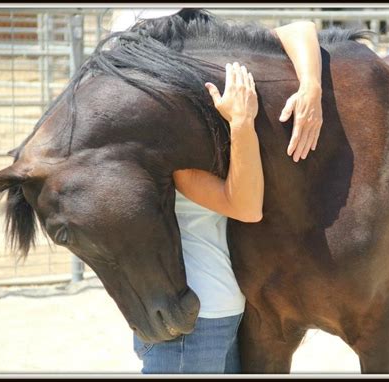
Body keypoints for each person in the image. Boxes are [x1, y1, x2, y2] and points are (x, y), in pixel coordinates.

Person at [133, 20, 323, 374]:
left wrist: (312, 86)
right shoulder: (168, 156)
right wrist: (241, 122)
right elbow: (247, 207)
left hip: (208, 314)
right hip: (198, 319)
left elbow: (299, 28)